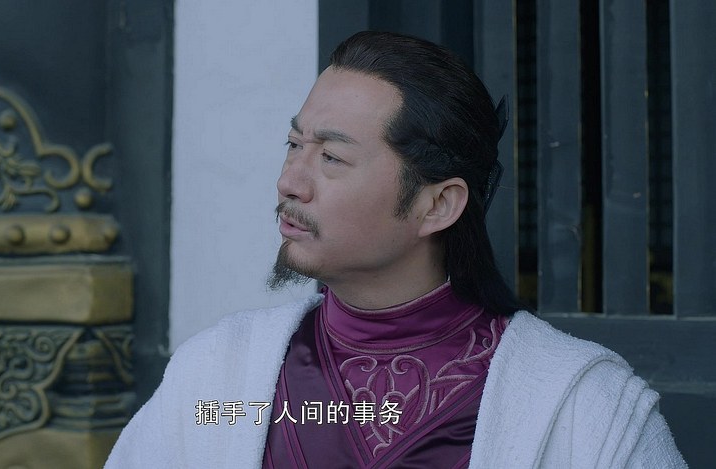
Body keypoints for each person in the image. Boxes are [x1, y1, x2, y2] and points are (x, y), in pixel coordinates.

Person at [105, 31, 686, 468]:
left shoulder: (584, 405)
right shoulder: (217, 376)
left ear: (438, 205)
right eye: (294, 144)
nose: (289, 182)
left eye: (332, 157)